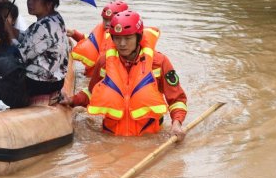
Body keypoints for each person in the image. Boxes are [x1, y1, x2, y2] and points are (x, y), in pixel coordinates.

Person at [63, 11, 187, 139]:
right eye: (117, 38)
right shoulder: (104, 62)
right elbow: (92, 93)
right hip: (111, 137)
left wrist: (176, 123)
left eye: (128, 38)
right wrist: (72, 100)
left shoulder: (159, 62)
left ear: (138, 37)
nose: (122, 43)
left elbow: (177, 99)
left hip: (148, 138)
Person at [17, 0, 69, 106]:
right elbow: (30, 38)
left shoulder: (43, 26)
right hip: (56, 80)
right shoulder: (56, 18)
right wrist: (10, 30)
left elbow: (20, 56)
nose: (29, 2)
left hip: (39, 83)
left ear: (49, 4)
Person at [70, 0, 128, 76]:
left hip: (108, 77)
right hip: (92, 75)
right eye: (105, 19)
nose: (107, 23)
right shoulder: (101, 30)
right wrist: (74, 34)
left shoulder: (124, 41)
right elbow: (90, 42)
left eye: (110, 20)